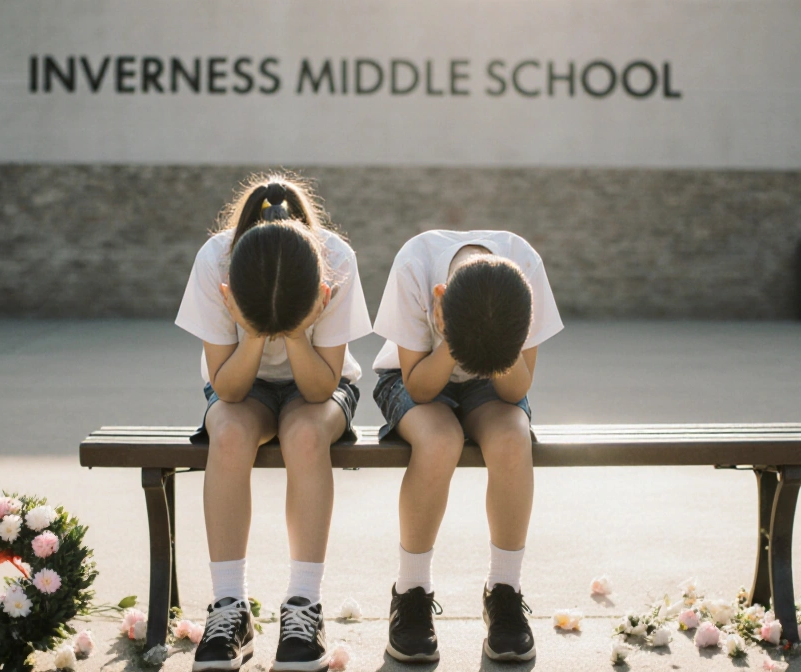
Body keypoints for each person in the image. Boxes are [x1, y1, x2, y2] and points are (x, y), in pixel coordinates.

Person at [174, 173, 372, 671]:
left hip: (320, 379)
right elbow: (230, 389)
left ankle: (304, 606)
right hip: (240, 376)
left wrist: (299, 334)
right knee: (230, 433)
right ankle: (229, 608)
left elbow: (318, 389)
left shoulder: (336, 260)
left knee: (306, 435)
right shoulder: (216, 260)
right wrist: (255, 332)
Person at [371, 230, 563, 663]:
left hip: (493, 379)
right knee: (440, 441)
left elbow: (514, 392)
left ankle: (505, 590)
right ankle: (412, 590)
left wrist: (497, 345)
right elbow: (419, 387)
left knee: (513, 437)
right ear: (440, 295)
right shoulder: (415, 265)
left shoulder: (523, 268)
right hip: (417, 375)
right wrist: (451, 340)